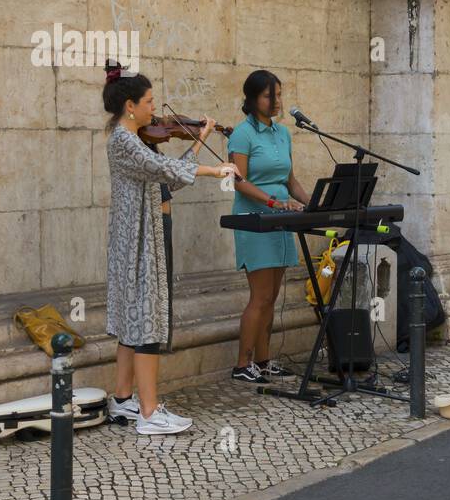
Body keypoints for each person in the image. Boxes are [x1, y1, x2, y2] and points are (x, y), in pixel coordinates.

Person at [102, 65, 236, 435]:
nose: (154, 109)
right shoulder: (124, 141)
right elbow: (162, 167)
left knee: (135, 321)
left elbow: (168, 178)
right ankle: (148, 413)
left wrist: (198, 140)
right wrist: (214, 169)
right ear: (130, 105)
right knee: (146, 322)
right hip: (138, 241)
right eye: (148, 102)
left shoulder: (132, 139)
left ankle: (125, 399)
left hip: (142, 237)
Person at [227, 70, 311, 384]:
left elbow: (289, 180)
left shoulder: (282, 133)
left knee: (272, 297)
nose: (276, 101)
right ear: (251, 99)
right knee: (259, 296)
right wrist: (274, 203)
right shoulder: (242, 134)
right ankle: (241, 364)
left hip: (281, 219)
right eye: (269, 95)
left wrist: (312, 201)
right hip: (256, 220)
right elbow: (238, 182)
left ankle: (263, 362)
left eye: (278, 94)